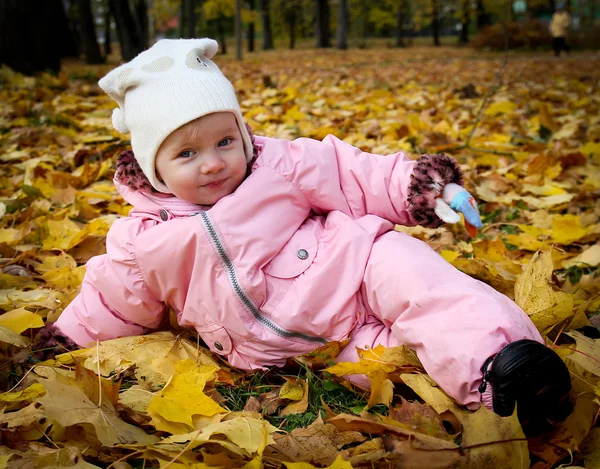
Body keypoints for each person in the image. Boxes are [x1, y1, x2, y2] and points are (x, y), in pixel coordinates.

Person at [33, 38, 571, 435]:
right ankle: (497, 400)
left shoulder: (278, 165)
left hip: (354, 268)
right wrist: (65, 342)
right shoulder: (142, 240)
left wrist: (427, 188)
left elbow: (354, 174)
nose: (215, 163)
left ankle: (505, 362)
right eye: (187, 154)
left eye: (225, 140)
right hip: (307, 349)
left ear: (243, 133)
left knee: (417, 276)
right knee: (397, 363)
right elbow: (111, 300)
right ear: (153, 169)